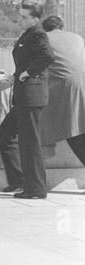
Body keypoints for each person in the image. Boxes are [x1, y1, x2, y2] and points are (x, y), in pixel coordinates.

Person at [0, 0, 56, 199]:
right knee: (5, 134)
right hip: (24, 96)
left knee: (30, 143)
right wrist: (14, 75)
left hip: (31, 96)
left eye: (24, 16)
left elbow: (47, 56)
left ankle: (36, 189)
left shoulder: (38, 33)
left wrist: (28, 73)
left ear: (35, 18)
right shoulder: (30, 33)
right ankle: (19, 181)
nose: (20, 19)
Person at [40, 15, 85, 175]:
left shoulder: (44, 38)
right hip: (83, 84)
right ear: (62, 27)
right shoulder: (77, 38)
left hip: (66, 90)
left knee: (72, 132)